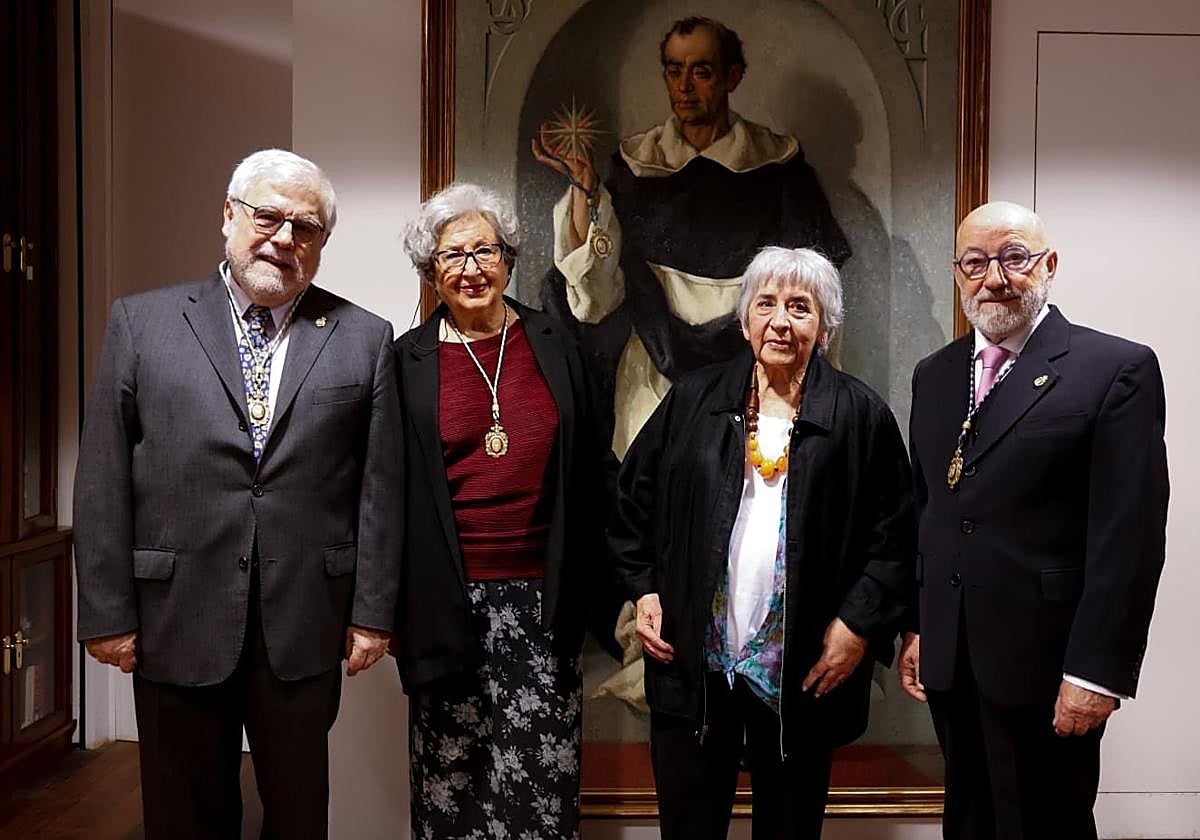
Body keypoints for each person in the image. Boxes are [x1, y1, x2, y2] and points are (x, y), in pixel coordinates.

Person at [73, 149, 400, 838]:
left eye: (304, 227)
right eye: (267, 216)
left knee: (299, 811)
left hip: (305, 620)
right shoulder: (141, 323)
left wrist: (372, 611)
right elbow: (102, 475)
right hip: (174, 615)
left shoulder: (364, 338)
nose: (284, 239)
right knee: (184, 811)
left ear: (321, 243)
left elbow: (379, 487)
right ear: (228, 215)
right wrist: (106, 613)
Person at [610, 246, 915, 839]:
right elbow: (631, 504)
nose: (781, 320)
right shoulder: (693, 400)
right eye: (766, 304)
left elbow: (895, 539)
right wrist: (645, 591)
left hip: (800, 667)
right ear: (745, 320)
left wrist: (858, 625)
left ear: (824, 326)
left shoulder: (860, 415)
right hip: (697, 661)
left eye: (800, 307)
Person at [900, 201, 1169, 840]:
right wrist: (918, 626)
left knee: (1046, 827)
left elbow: (1127, 541)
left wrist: (1096, 672)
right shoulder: (933, 376)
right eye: (975, 261)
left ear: (1048, 265)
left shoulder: (1114, 370)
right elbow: (930, 511)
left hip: (1049, 669)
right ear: (957, 274)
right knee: (967, 824)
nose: (994, 276)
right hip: (952, 661)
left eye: (1013, 257)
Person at [533, 15, 850, 457]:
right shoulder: (638, 164)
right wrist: (587, 190)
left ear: (731, 77)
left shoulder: (779, 169)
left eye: (700, 71)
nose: (684, 86)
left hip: (755, 372)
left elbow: (813, 296)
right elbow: (598, 293)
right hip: (652, 372)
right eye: (673, 70)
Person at [393, 182, 606, 839]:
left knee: (541, 795)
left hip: (544, 606)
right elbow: (387, 493)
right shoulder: (405, 363)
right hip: (445, 606)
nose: (470, 268)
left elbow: (596, 468)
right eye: (451, 255)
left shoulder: (557, 344)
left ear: (510, 258)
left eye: (485, 250)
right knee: (453, 791)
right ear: (431, 271)